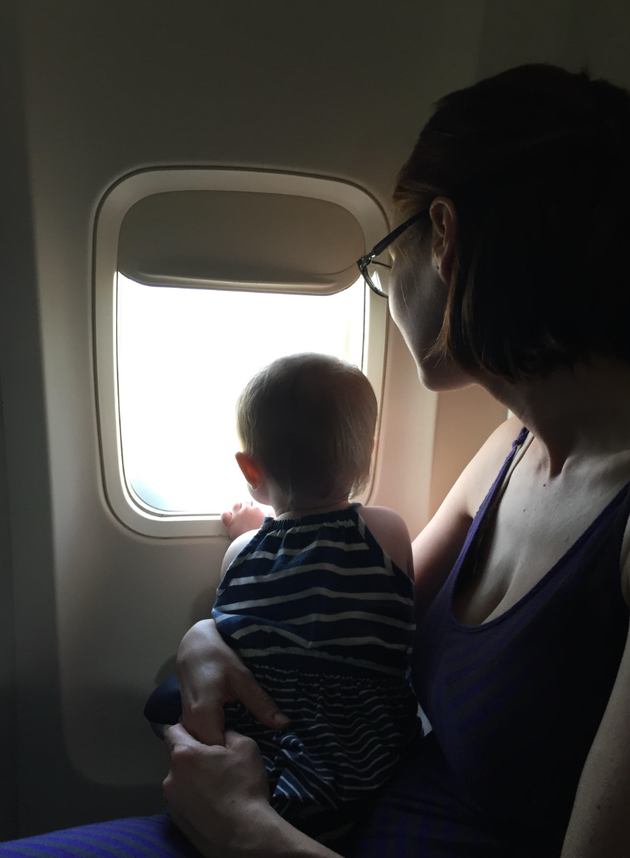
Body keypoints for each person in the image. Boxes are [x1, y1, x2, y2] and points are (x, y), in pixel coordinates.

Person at [3, 62, 630, 858]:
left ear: (442, 238)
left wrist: (247, 831)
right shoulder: (506, 451)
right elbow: (349, 616)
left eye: (381, 260)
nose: (384, 285)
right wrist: (207, 638)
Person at [144, 353, 418, 849]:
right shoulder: (386, 532)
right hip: (367, 763)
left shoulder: (240, 554)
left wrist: (255, 535)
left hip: (271, 774)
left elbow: (275, 577)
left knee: (165, 702)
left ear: (250, 468)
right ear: (367, 454)